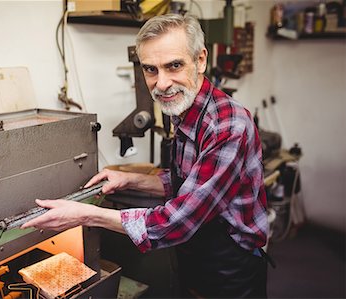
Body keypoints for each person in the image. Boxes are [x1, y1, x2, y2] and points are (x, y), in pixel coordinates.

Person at [22, 13, 269, 298]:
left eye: (174, 65)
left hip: (231, 265)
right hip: (196, 253)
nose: (162, 83)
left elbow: (179, 220)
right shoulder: (186, 109)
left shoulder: (228, 126)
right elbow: (186, 183)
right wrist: (130, 180)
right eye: (150, 69)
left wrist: (86, 215)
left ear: (201, 60)